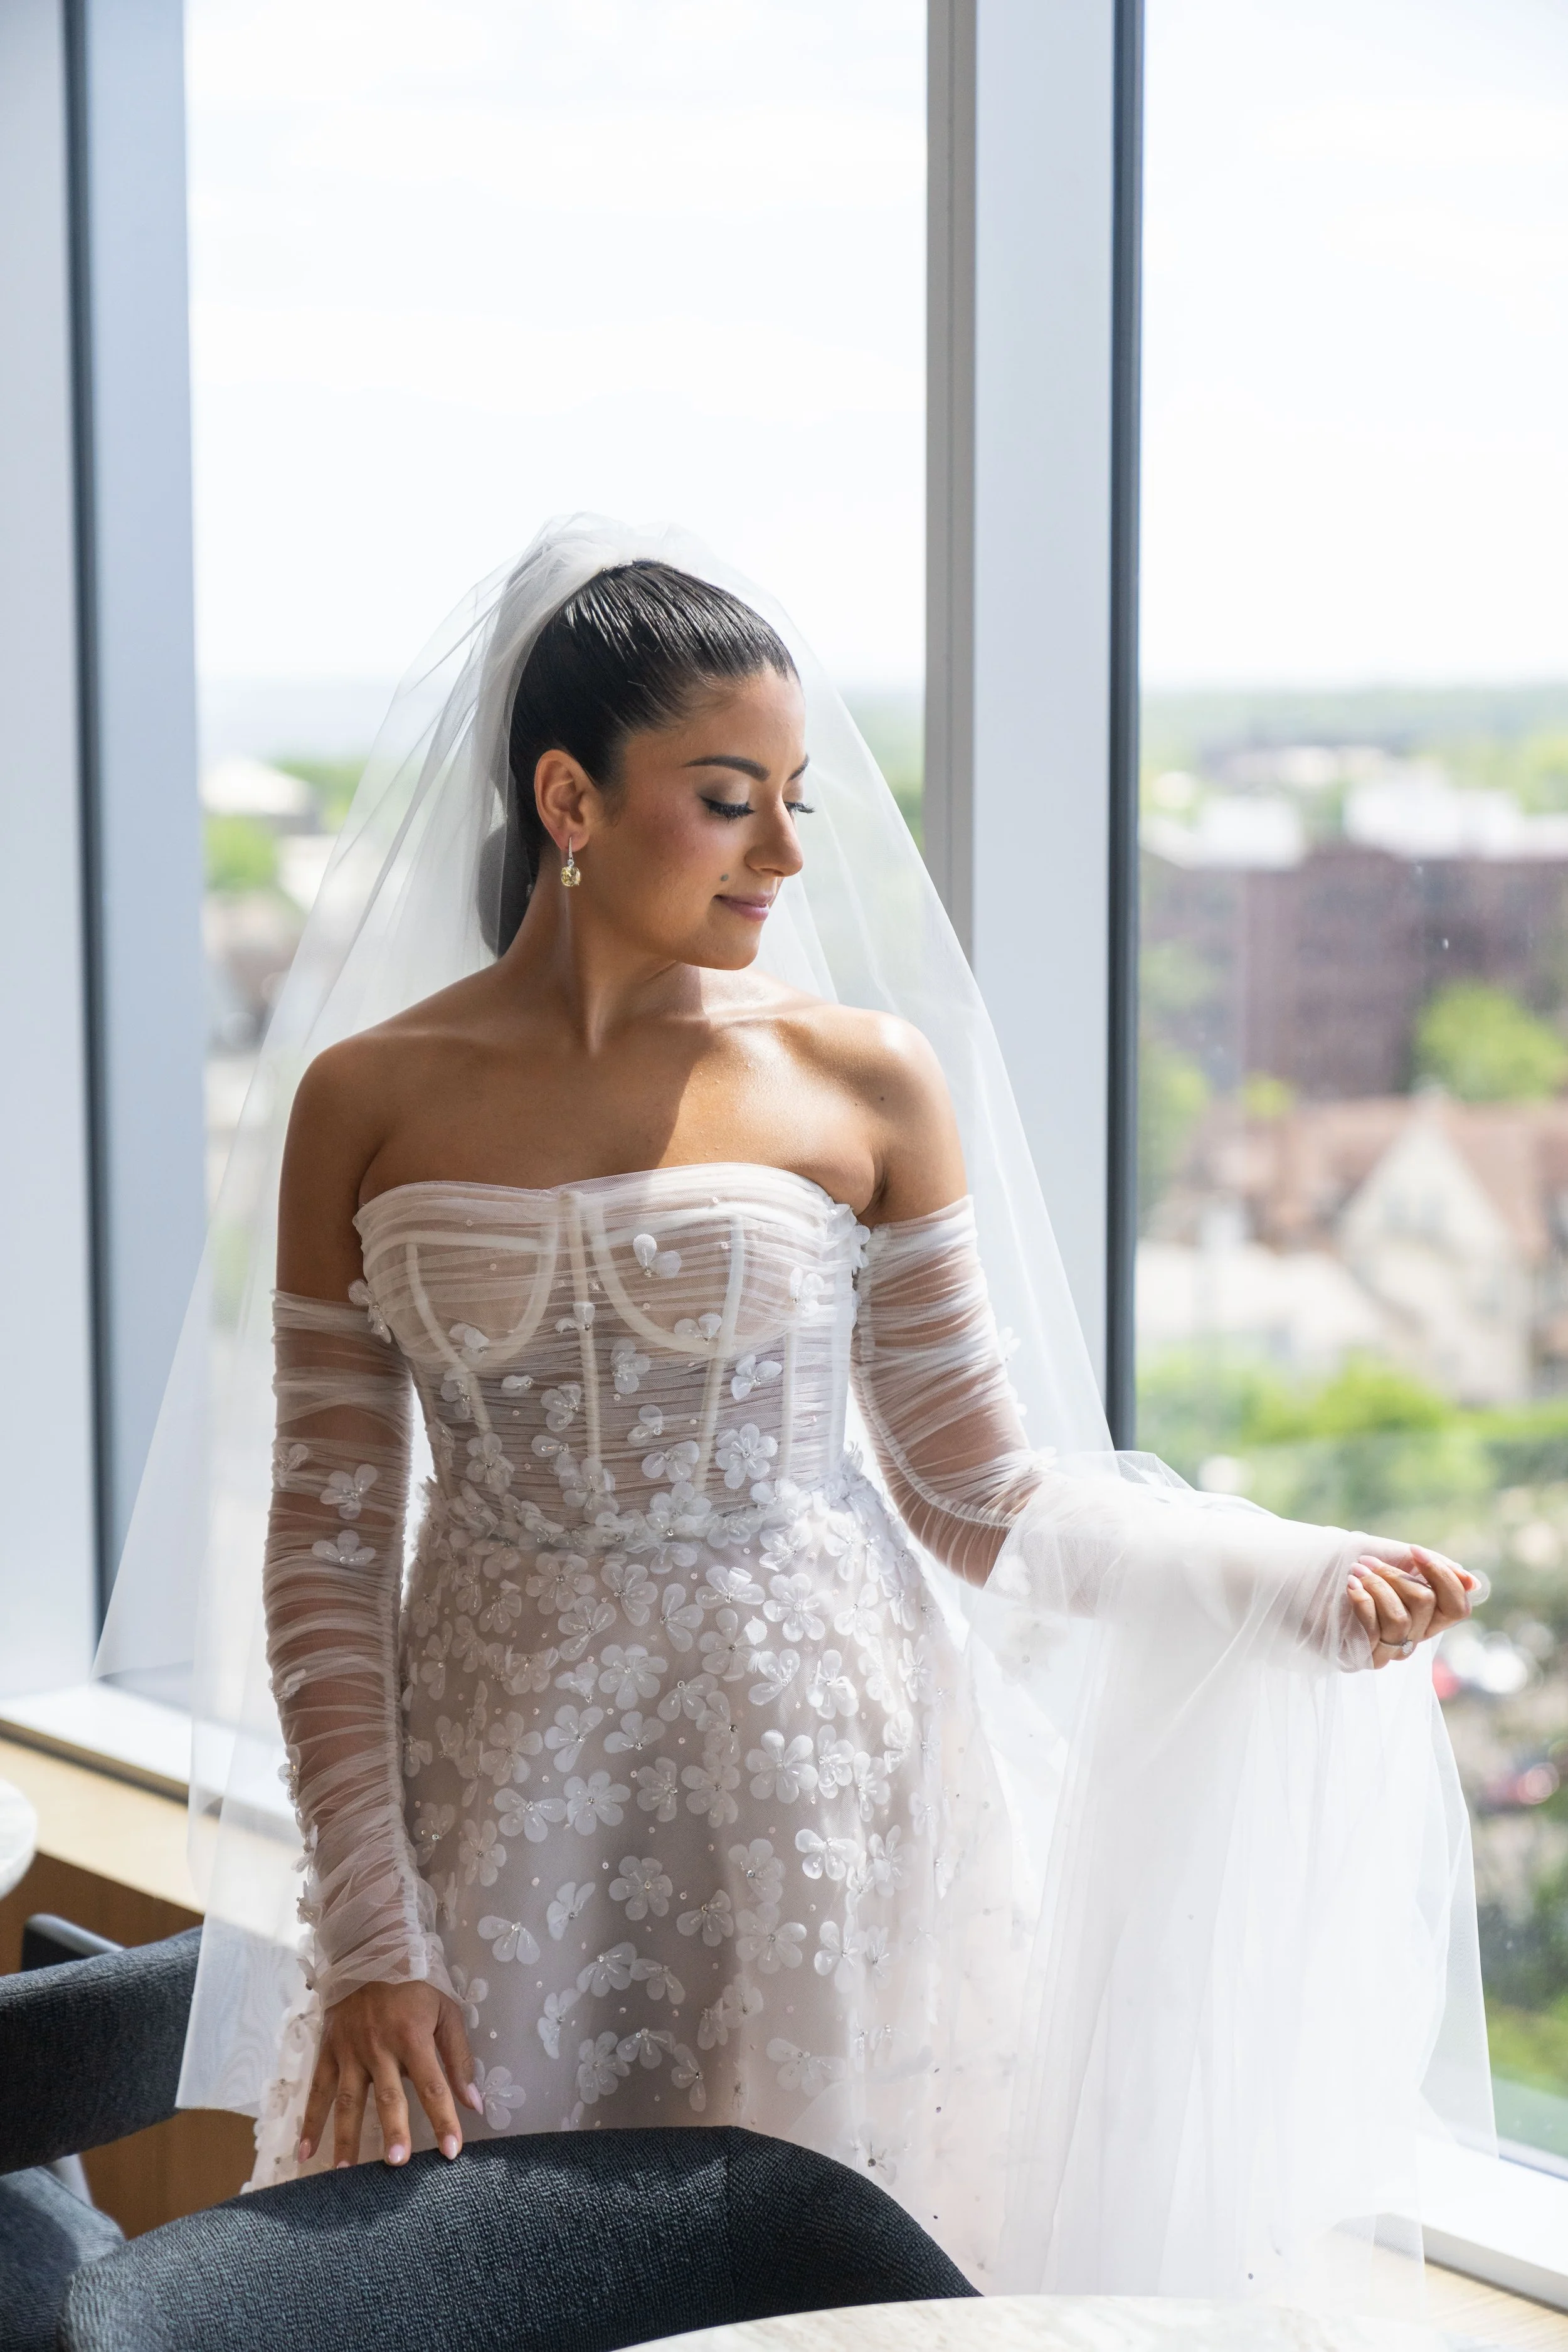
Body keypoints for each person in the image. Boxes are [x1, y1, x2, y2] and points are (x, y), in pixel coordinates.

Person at [106, 520, 1489, 2297]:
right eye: (727, 797)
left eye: (795, 800)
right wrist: (374, 1927)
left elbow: (977, 1491)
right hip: (501, 1796)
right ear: (569, 797)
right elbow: (323, 1542)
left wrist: (1271, 1574)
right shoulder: (365, 1100)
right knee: (477, 2279)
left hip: (821, 1797)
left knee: (825, 2285)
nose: (781, 852)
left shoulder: (861, 1079)